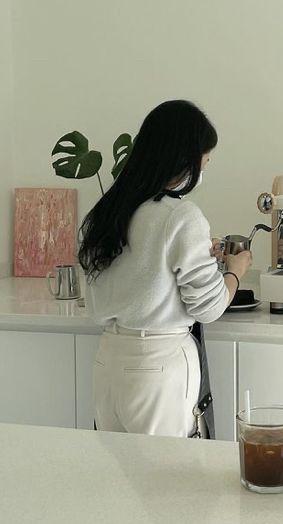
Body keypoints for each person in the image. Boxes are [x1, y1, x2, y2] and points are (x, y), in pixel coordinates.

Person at [79, 99, 251, 438]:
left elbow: (140, 270)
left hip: (108, 363)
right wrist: (234, 271)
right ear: (185, 159)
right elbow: (209, 306)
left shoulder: (107, 211)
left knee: (115, 480)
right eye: (205, 161)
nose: (203, 169)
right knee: (165, 482)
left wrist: (199, 253)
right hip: (158, 366)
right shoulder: (180, 216)